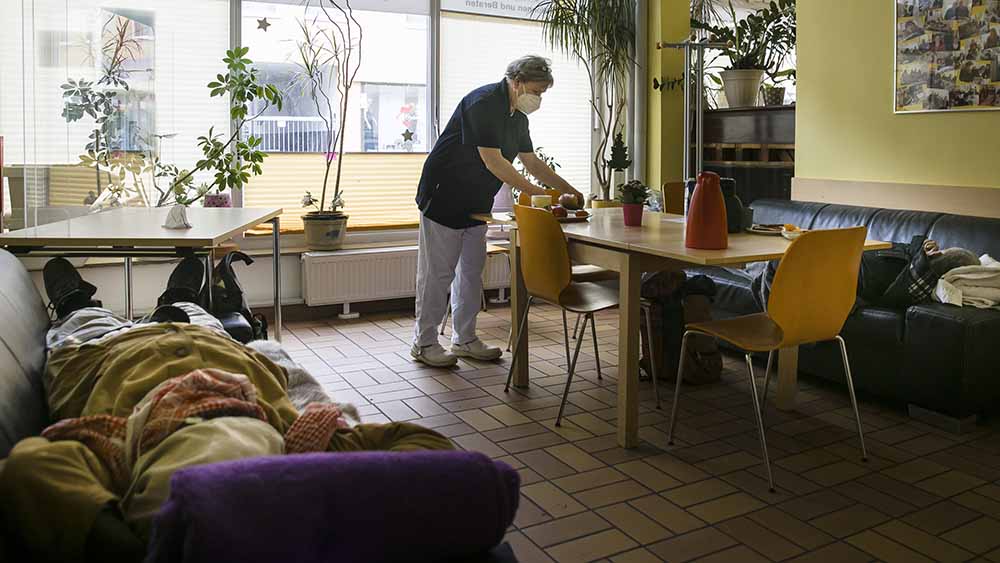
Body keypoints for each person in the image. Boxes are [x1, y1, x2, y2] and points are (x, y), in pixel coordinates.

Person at [1, 257, 453, 562]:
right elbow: (429, 450)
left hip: (110, 358)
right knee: (193, 311)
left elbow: (28, 468)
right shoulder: (311, 443)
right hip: (218, 351)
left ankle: (74, 301)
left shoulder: (115, 451)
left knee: (83, 321)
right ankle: (175, 302)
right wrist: (343, 495)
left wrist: (125, 547)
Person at [411, 55, 584, 368]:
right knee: (437, 273)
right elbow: (495, 162)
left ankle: (464, 339)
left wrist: (568, 190)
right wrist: (542, 195)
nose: (538, 98)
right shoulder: (483, 103)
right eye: (536, 91)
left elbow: (532, 163)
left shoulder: (517, 118)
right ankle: (423, 342)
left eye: (543, 93)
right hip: (444, 194)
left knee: (470, 272)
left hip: (476, 200)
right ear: (516, 82)